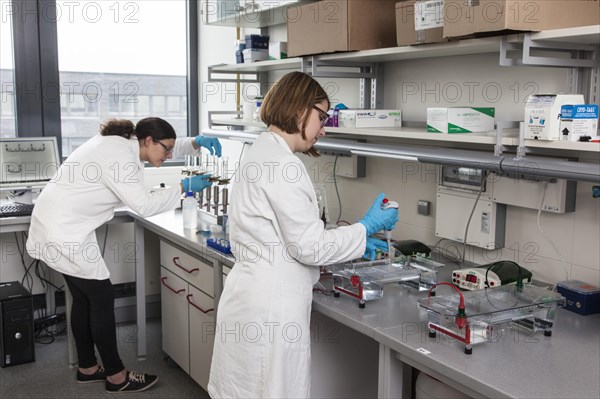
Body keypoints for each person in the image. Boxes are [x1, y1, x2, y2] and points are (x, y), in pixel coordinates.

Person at [207, 72, 398, 398]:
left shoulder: (261, 151)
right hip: (271, 309)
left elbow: (287, 235)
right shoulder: (283, 164)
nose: (324, 128)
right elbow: (308, 247)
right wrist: (365, 227)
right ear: (298, 111)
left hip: (251, 297)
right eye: (321, 117)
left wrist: (354, 240)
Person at [26, 117, 221, 393]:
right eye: (166, 149)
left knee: (84, 299)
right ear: (149, 141)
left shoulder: (128, 142)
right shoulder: (121, 157)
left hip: (59, 225)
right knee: (102, 298)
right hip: (64, 231)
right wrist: (183, 188)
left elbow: (162, 149)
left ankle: (87, 368)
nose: (168, 155)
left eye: (171, 150)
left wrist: (195, 143)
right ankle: (117, 377)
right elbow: (142, 204)